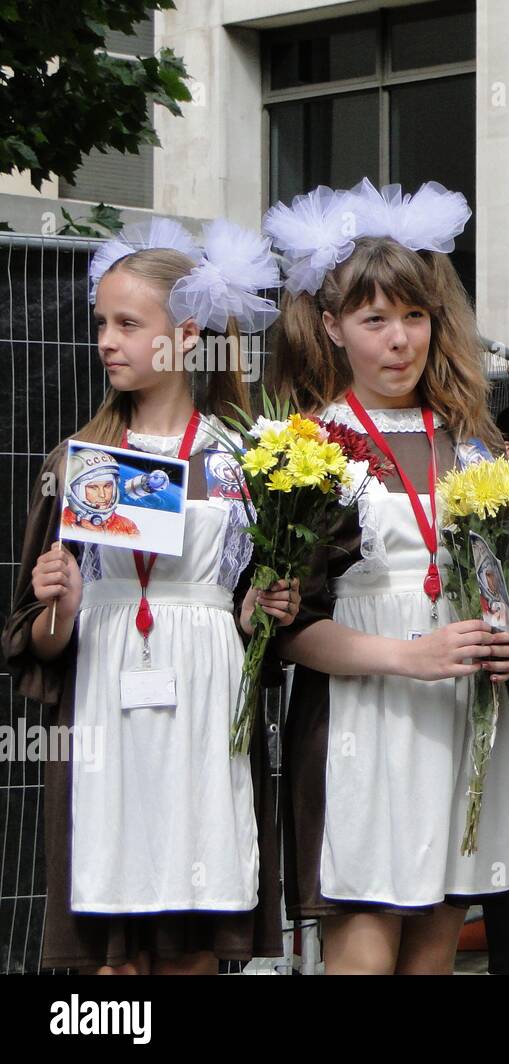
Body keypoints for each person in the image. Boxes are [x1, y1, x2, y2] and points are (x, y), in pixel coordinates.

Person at [3, 218, 295, 974]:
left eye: (129, 323)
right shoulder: (75, 462)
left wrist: (265, 610)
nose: (108, 340)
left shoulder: (247, 460)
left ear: (185, 335)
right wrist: (57, 606)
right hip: (107, 699)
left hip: (204, 694)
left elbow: (257, 607)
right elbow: (36, 642)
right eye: (102, 323)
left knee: (192, 936)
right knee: (115, 943)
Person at [265, 180, 509, 975]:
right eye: (375, 319)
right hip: (361, 724)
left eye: (414, 316)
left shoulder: (475, 445)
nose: (399, 339)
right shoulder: (304, 447)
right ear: (333, 326)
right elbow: (288, 627)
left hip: (459, 721)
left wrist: (507, 638)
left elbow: (498, 587)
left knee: (434, 961)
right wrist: (407, 656)